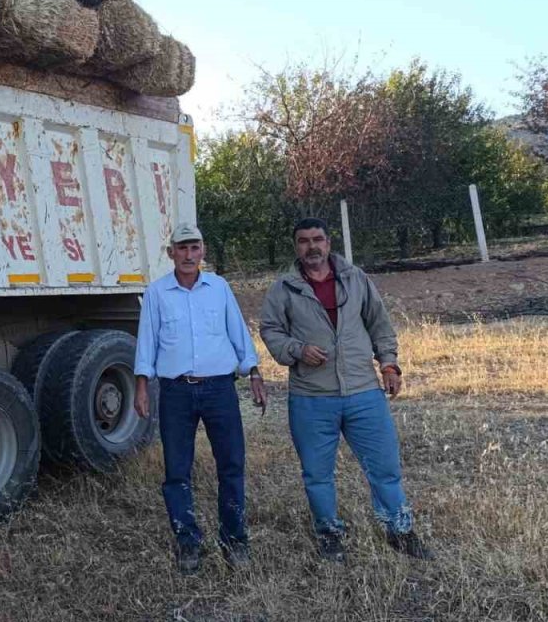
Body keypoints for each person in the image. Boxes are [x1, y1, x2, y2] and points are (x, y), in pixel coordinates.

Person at [259, 218, 432, 563]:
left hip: (363, 391)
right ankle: (329, 535)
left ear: (328, 243)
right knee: (317, 474)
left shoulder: (356, 279)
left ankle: (399, 531)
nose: (312, 246)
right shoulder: (283, 289)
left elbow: (379, 323)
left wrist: (389, 365)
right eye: (304, 241)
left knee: (384, 467)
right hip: (311, 396)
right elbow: (271, 330)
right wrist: (297, 350)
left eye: (318, 239)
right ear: (296, 247)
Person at [134, 223, 267, 574]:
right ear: (171, 253)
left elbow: (238, 333)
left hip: (220, 390)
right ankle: (188, 542)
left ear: (203, 251)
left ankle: (234, 540)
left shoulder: (219, 288)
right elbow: (147, 341)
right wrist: (142, 385)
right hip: (176, 392)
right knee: (177, 470)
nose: (189, 255)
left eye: (194, 248)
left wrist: (254, 372)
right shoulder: (157, 293)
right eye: (182, 248)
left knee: (231, 465)